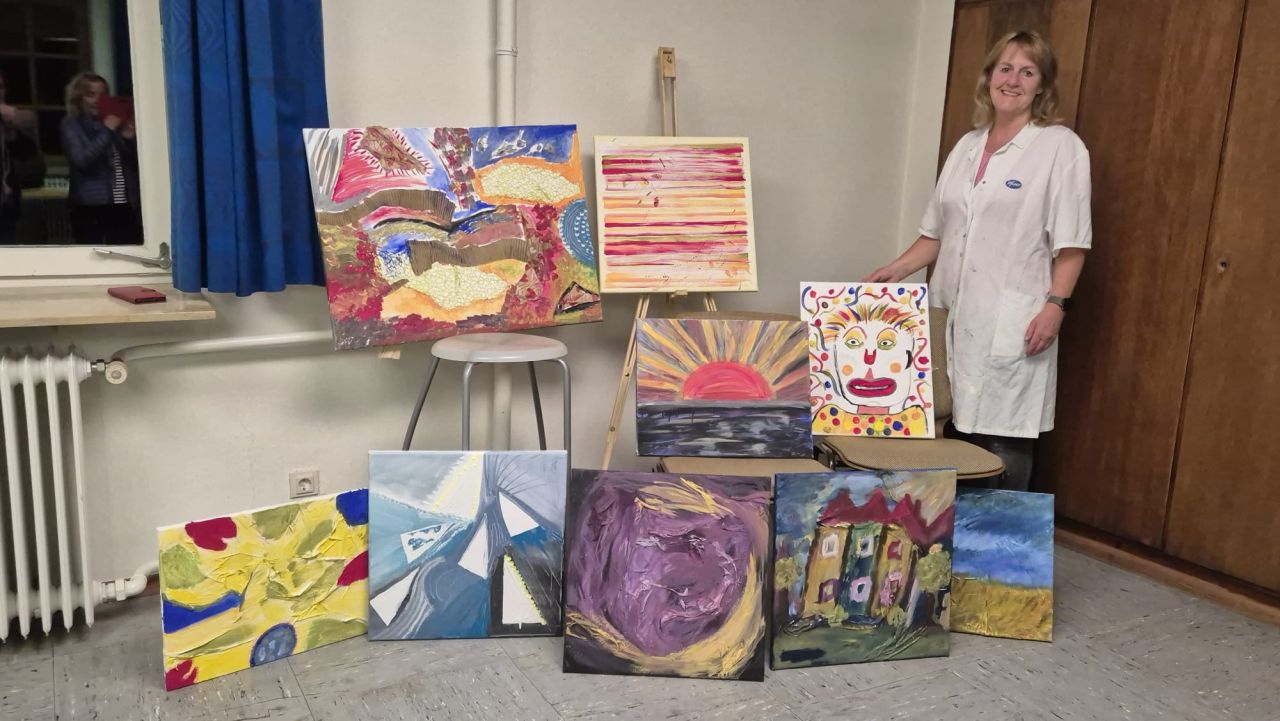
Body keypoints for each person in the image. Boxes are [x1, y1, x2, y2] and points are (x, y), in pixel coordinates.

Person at [864, 29, 1092, 491]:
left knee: (1005, 435)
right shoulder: (967, 146)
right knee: (951, 430)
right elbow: (936, 234)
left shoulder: (1059, 147)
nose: (1013, 80)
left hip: (1014, 318)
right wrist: (894, 271)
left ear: (1041, 86)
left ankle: (1001, 535)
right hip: (950, 312)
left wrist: (1055, 306)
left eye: (1027, 72)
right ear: (989, 77)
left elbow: (1072, 245)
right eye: (1005, 68)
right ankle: (953, 529)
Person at [60, 71, 140, 245]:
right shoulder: (71, 124)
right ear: (79, 98)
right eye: (91, 94)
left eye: (102, 95)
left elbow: (133, 165)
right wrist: (107, 131)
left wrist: (128, 139)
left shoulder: (115, 121)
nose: (98, 100)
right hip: (91, 206)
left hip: (124, 203)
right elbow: (81, 160)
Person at [0, 70, 45, 244]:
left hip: (7, 204)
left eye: (1, 87)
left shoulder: (8, 120)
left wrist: (12, 133)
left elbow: (29, 158)